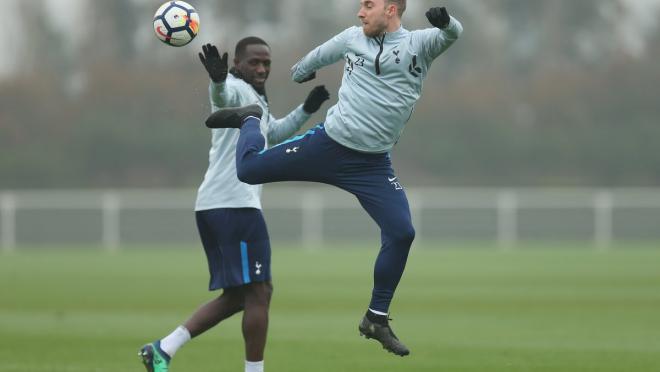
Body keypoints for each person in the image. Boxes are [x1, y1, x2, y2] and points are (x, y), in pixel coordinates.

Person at [205, 1, 463, 357]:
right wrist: (301, 72)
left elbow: (453, 34)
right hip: (327, 146)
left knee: (402, 231)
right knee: (248, 170)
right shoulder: (350, 38)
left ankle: (376, 317)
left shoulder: (421, 44)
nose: (360, 12)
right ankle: (249, 119)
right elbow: (310, 61)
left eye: (368, 5)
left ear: (391, 9)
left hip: (372, 166)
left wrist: (446, 21)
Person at [138, 37, 330, 372]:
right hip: (235, 206)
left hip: (218, 206)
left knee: (241, 295)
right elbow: (222, 98)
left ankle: (163, 349)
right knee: (260, 292)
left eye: (266, 63)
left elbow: (276, 132)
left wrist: (307, 108)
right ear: (237, 64)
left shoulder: (255, 99)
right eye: (254, 62)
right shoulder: (236, 90)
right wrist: (217, 79)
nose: (261, 68)